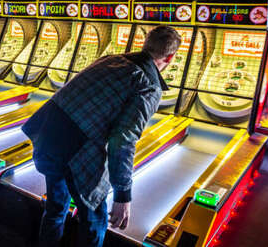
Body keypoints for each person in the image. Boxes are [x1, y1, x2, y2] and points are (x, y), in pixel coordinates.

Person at [22, 25, 181, 247]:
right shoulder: (147, 85)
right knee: (95, 217)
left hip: (48, 133)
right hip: (76, 148)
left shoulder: (111, 59)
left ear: (145, 45)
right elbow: (123, 140)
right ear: (171, 57)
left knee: (56, 208)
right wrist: (122, 195)